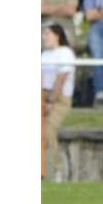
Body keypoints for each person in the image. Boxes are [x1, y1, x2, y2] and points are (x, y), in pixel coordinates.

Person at [41, 24, 75, 181]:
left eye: (48, 34)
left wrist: (50, 101)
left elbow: (61, 78)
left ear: (57, 36)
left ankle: (57, 168)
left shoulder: (65, 53)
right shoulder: (44, 55)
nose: (44, 37)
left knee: (49, 130)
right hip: (43, 95)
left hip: (59, 99)